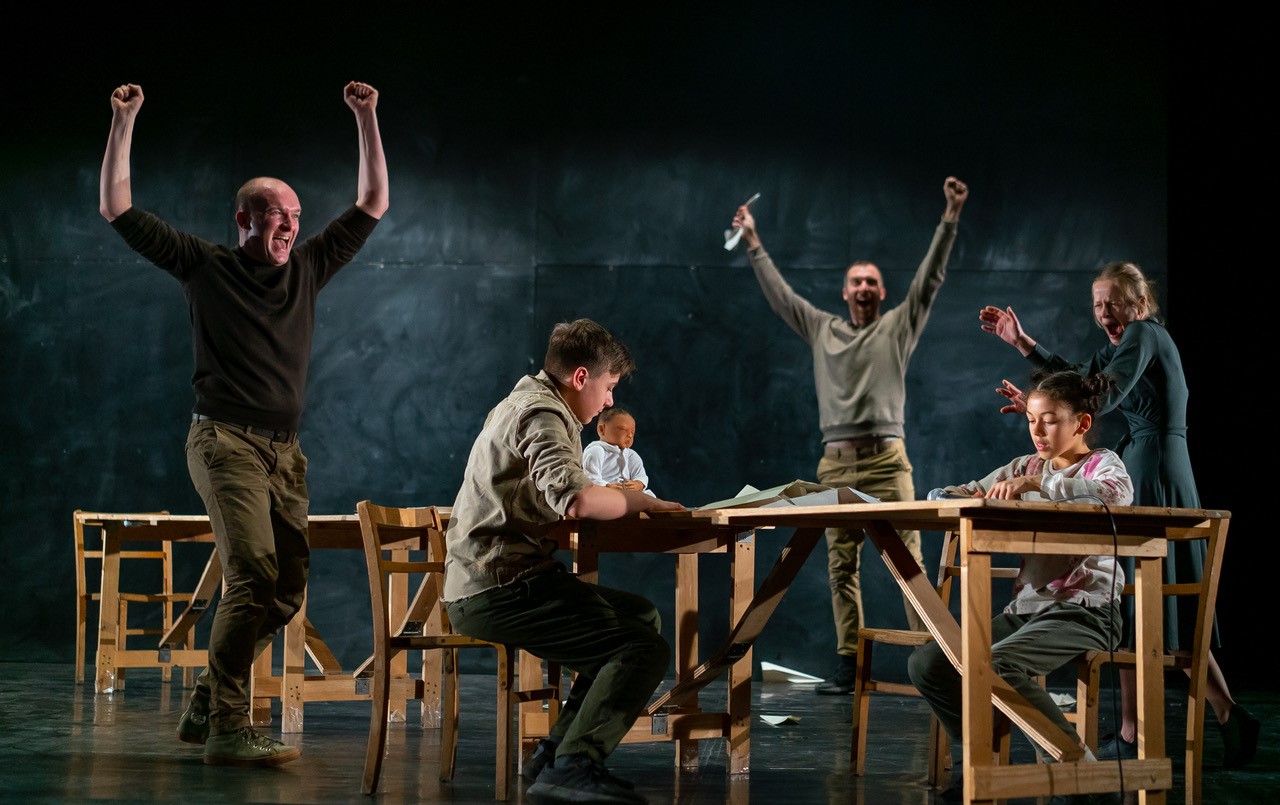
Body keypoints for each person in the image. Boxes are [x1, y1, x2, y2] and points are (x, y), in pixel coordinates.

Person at [99, 81, 388, 766]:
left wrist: (367, 116)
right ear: (243, 218)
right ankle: (229, 725)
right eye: (273, 214)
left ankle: (210, 693)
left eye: (294, 214)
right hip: (224, 440)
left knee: (285, 591)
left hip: (285, 454)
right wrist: (125, 119)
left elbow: (373, 201)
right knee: (252, 573)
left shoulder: (311, 266)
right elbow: (117, 205)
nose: (288, 224)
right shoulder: (205, 266)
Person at [978, 261, 1261, 769]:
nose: (1104, 312)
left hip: (1153, 467)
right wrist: (1026, 352)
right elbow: (1080, 382)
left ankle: (1142, 731)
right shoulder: (1120, 346)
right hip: (1146, 457)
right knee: (1152, 606)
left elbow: (1095, 396)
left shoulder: (1145, 334)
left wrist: (1048, 409)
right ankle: (1219, 714)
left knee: (1141, 602)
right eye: (1097, 304)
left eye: (1113, 302)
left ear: (1139, 303)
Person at [732, 176, 969, 694]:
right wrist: (752, 241)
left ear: (881, 293)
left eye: (871, 282)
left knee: (910, 561)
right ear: (845, 292)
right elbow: (781, 296)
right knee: (842, 566)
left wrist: (949, 216)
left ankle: (936, 664)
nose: (863, 287)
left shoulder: (898, 327)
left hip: (888, 462)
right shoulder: (822, 329)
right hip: (836, 464)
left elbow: (929, 279)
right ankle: (848, 666)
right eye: (855, 281)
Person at [442, 319, 685, 805]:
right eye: (608, 387)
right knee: (644, 650)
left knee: (639, 617)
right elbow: (574, 501)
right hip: (499, 586)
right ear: (581, 378)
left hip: (504, 578)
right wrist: (639, 503)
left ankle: (554, 754)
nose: (609, 402)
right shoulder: (542, 414)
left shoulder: (526, 401)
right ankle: (576, 765)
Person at [911, 369, 1133, 805]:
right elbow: (970, 490)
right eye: (1031, 420)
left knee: (998, 662)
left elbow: (1117, 493)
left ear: (1081, 424)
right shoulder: (1024, 465)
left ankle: (1079, 771)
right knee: (929, 664)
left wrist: (1037, 483)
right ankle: (981, 760)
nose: (1038, 431)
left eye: (1049, 419)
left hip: (1086, 609)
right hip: (1027, 610)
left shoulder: (1102, 464)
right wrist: (950, 496)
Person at [582, 405, 656, 497]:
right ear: (602, 430)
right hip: (604, 493)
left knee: (649, 496)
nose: (629, 435)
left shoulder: (631, 455)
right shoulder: (596, 450)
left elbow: (640, 476)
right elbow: (590, 478)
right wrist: (607, 486)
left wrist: (638, 484)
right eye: (624, 430)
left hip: (628, 494)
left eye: (632, 432)